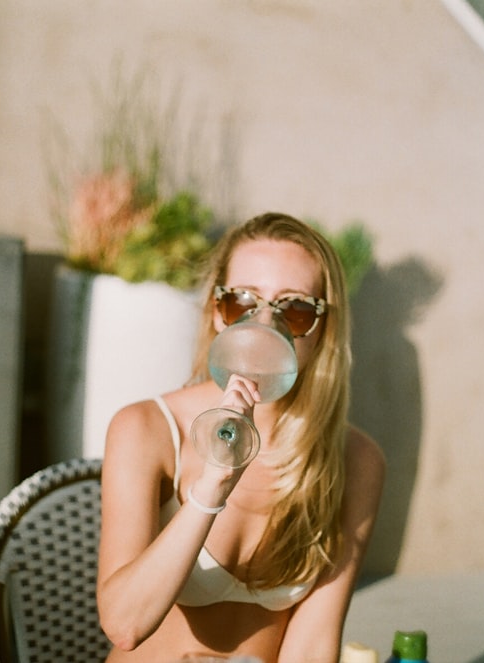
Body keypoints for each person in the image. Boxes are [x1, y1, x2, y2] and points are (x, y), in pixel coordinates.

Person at [97, 212, 386, 662]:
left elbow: (312, 645)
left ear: (323, 327)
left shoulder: (356, 460)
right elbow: (124, 624)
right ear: (217, 311)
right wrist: (213, 485)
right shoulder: (147, 429)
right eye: (242, 302)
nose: (265, 325)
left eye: (293, 308)